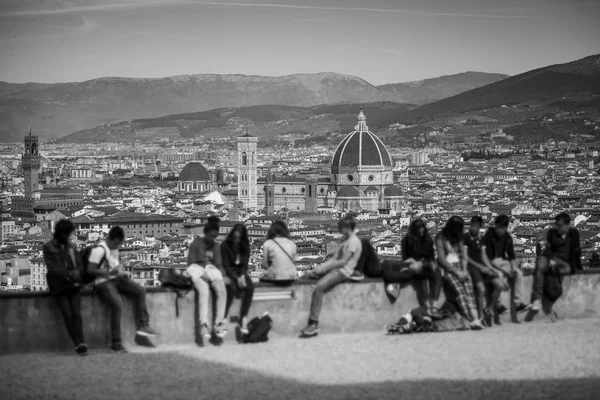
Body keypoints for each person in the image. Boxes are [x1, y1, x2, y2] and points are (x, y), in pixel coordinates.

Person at [89, 226, 159, 353]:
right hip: (102, 282)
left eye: (119, 244)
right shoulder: (98, 250)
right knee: (117, 305)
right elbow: (91, 270)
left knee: (140, 291)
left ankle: (143, 329)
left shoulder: (114, 249)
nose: (117, 246)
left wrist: (120, 272)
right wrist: (111, 272)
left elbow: (114, 266)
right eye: (116, 243)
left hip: (116, 279)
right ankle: (116, 343)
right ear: (110, 239)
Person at [301, 215, 362, 337]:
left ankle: (313, 323)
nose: (338, 230)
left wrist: (324, 268)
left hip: (344, 272)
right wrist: (320, 269)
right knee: (308, 276)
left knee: (319, 288)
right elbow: (334, 259)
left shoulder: (354, 242)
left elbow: (343, 261)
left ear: (347, 228)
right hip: (335, 268)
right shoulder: (344, 241)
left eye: (340, 227)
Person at [43, 219, 87, 356]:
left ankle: (81, 342)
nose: (67, 237)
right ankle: (78, 343)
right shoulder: (48, 247)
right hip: (59, 284)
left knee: (76, 313)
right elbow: (53, 267)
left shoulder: (72, 247)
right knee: (68, 314)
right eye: (66, 234)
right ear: (60, 233)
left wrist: (78, 273)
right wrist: (71, 273)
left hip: (72, 283)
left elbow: (79, 265)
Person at [435, 216, 484, 330]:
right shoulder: (440, 237)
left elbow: (463, 256)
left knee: (469, 292)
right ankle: (469, 319)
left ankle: (476, 319)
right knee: (460, 293)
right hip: (448, 269)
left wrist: (464, 270)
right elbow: (442, 259)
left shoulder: (459, 237)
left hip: (461, 268)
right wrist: (457, 272)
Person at [186, 215, 228, 345]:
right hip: (196, 273)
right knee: (204, 291)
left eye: (215, 236)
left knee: (222, 291)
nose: (213, 239)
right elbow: (191, 264)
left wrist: (223, 275)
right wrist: (203, 274)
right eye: (211, 236)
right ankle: (203, 324)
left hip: (211, 273)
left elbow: (218, 264)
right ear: (205, 234)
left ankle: (219, 323)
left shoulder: (216, 246)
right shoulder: (195, 244)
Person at [530, 212, 582, 312]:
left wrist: (578, 268)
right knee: (541, 263)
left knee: (557, 273)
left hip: (564, 262)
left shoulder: (574, 233)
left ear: (567, 225)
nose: (557, 227)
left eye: (559, 225)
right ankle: (537, 299)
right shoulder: (552, 233)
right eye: (556, 224)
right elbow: (548, 250)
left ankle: (551, 297)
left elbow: (576, 251)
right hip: (550, 258)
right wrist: (551, 260)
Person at [482, 215, 530, 321]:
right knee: (499, 276)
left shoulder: (507, 237)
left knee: (518, 274)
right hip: (492, 262)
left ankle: (518, 304)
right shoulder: (488, 236)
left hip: (503, 261)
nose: (501, 230)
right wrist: (505, 271)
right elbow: (488, 258)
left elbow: (511, 254)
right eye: (500, 228)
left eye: (503, 228)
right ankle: (498, 305)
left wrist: (513, 268)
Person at [463, 216, 506, 327]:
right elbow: (466, 257)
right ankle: (481, 316)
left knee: (500, 285)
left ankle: (489, 309)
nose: (475, 228)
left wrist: (490, 268)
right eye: (473, 226)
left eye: (477, 227)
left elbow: (483, 256)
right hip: (472, 268)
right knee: (481, 290)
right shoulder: (465, 238)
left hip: (483, 267)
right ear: (470, 225)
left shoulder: (479, 237)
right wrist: (481, 267)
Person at [400, 219, 442, 317]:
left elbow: (431, 255)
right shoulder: (406, 240)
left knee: (436, 274)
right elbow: (405, 258)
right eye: (419, 229)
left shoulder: (428, 239)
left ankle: (434, 305)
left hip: (426, 264)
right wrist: (416, 263)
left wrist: (432, 263)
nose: (421, 231)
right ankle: (427, 307)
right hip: (413, 265)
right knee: (422, 278)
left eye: (422, 229)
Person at [222, 223, 255, 335]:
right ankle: (224, 317)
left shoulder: (245, 246)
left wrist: (242, 276)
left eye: (239, 238)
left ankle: (244, 317)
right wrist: (237, 278)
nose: (237, 240)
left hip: (240, 272)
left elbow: (244, 263)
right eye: (235, 238)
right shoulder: (225, 246)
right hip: (229, 272)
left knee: (250, 288)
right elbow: (226, 265)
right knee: (231, 288)